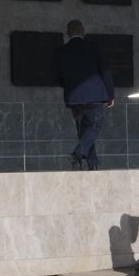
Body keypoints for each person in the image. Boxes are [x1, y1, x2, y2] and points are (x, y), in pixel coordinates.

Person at [51, 20, 115, 171]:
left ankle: (91, 164)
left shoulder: (60, 51)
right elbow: (105, 72)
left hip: (74, 98)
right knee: (94, 126)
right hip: (95, 96)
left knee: (84, 132)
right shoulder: (94, 48)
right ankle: (78, 153)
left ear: (68, 33)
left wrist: (69, 87)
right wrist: (110, 94)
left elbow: (55, 77)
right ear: (83, 31)